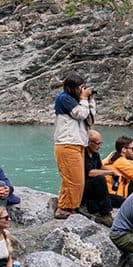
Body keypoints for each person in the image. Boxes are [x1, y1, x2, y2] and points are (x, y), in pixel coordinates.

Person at [52, 75, 96, 219]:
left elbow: (90, 117)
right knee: (73, 179)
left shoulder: (76, 100)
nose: (82, 90)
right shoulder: (63, 98)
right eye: (80, 88)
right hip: (67, 143)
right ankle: (64, 208)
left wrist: (90, 100)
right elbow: (81, 114)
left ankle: (72, 206)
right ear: (72, 88)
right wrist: (84, 99)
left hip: (77, 143)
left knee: (76, 179)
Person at [80, 130, 117, 222]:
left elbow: (100, 166)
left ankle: (104, 210)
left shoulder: (95, 153)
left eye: (101, 143)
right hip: (85, 188)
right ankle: (105, 213)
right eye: (97, 143)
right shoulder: (82, 153)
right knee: (100, 178)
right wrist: (110, 173)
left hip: (95, 191)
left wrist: (115, 172)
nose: (99, 146)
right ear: (89, 142)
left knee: (120, 200)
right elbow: (90, 172)